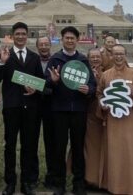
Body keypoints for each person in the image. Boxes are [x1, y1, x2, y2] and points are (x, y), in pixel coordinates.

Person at [0, 22, 43, 195]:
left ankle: (27, 182)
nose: (20, 36)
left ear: (27, 36)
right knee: (10, 146)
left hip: (31, 108)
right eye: (17, 34)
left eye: (23, 34)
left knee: (29, 146)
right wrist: (2, 63)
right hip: (12, 107)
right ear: (12, 36)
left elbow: (40, 82)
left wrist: (35, 88)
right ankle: (10, 182)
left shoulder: (34, 58)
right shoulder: (6, 55)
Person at [46, 26, 97, 195]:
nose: (69, 41)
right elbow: (45, 85)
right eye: (66, 38)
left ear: (77, 40)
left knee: (78, 147)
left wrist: (88, 90)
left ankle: (78, 183)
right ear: (62, 40)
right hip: (59, 110)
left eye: (72, 38)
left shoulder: (83, 61)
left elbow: (92, 85)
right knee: (58, 147)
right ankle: (59, 184)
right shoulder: (55, 59)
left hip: (78, 110)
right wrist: (52, 81)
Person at [98, 45, 133, 195]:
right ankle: (115, 187)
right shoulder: (105, 75)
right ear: (111, 56)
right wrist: (103, 104)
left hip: (131, 119)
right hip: (113, 121)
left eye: (121, 54)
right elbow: (99, 94)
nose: (118, 57)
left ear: (126, 55)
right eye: (115, 54)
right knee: (114, 152)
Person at [35, 35, 58, 189]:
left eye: (46, 44)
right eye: (41, 44)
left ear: (50, 45)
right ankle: (31, 176)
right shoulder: (32, 60)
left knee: (52, 143)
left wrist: (41, 86)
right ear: (37, 47)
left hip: (51, 105)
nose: (43, 47)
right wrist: (47, 85)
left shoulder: (56, 61)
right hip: (34, 105)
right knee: (31, 142)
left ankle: (52, 176)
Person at [83, 48, 104, 189]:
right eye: (93, 57)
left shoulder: (107, 73)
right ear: (88, 59)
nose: (95, 59)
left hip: (104, 115)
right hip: (88, 114)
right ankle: (89, 179)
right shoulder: (83, 72)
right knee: (90, 148)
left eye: (98, 57)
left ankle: (103, 179)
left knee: (104, 148)